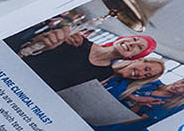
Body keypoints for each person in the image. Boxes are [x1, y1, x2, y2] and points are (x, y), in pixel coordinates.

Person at [17, 28, 160, 90]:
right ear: (124, 38)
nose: (132, 43)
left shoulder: (106, 74)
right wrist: (46, 40)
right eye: (134, 39)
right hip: (17, 71)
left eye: (139, 47)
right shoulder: (77, 40)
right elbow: (31, 48)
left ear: (133, 57)